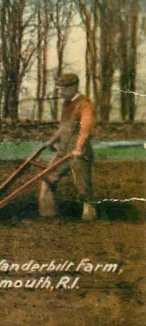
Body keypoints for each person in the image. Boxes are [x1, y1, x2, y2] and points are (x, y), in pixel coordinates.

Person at [40, 73, 97, 220]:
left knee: (82, 184)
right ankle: (48, 213)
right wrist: (52, 141)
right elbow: (63, 127)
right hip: (63, 150)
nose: (60, 92)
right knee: (48, 177)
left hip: (79, 151)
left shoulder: (85, 103)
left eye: (63, 89)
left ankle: (89, 213)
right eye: (59, 88)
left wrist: (78, 148)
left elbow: (86, 128)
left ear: (73, 87)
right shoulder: (66, 104)